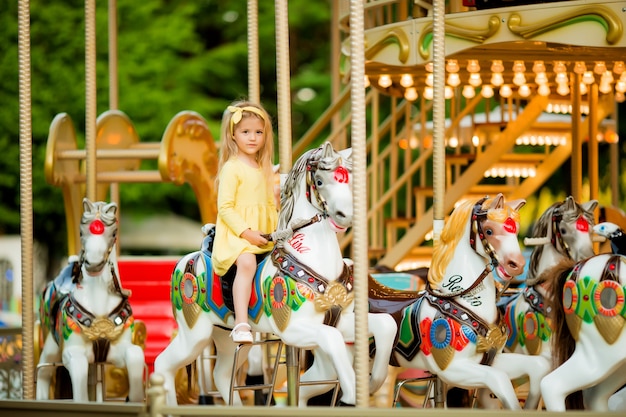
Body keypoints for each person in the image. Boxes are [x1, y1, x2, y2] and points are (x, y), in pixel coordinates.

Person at [211, 100, 278, 344]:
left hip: (264, 233)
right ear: (233, 135)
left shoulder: (265, 167)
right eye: (246, 132)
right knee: (248, 263)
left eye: (258, 132)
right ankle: (241, 322)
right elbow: (225, 208)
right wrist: (246, 233)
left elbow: (271, 204)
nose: (253, 138)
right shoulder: (232, 168)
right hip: (236, 236)